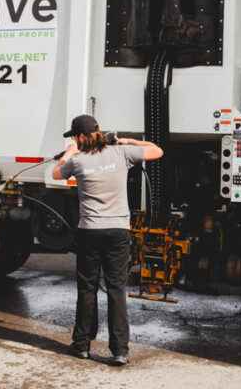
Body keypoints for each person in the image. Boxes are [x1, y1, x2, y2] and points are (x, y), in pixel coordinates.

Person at [52, 114, 163, 366]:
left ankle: (81, 346)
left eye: (75, 139)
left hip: (89, 232)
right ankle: (119, 351)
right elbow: (157, 150)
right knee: (116, 290)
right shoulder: (121, 153)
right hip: (117, 233)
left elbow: (56, 174)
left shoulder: (77, 161)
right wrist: (125, 140)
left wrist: (68, 154)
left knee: (87, 288)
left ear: (80, 137)